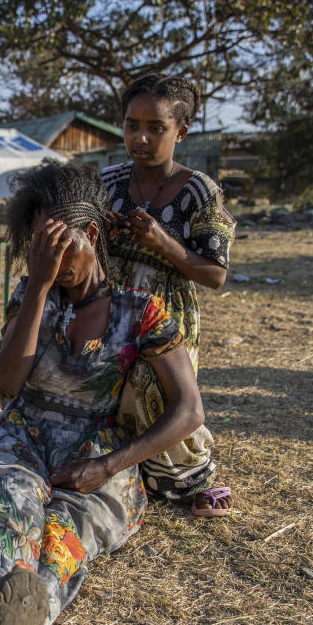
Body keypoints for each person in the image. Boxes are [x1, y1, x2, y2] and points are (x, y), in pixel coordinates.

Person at [0, 161, 207, 625]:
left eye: (56, 245)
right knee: (7, 505)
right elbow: (11, 383)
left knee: (64, 531)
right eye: (36, 247)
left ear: (91, 233)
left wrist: (109, 465)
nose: (45, 258)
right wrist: (36, 287)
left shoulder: (141, 311)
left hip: (96, 454)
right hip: (22, 440)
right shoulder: (34, 295)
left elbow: (189, 411)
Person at [102, 73, 235, 516]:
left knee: (149, 386)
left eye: (155, 127)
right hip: (107, 303)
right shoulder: (107, 183)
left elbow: (214, 274)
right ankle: (112, 462)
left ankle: (191, 476)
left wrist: (165, 244)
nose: (140, 137)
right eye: (131, 124)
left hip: (165, 313)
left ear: (180, 131)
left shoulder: (200, 191)